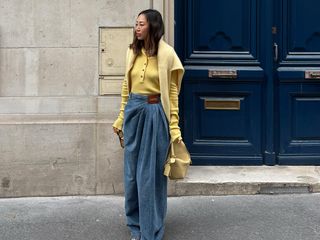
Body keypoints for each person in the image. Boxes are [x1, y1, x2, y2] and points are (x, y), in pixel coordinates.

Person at [112, 9, 184, 240]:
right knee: (132, 174)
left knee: (150, 175)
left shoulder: (168, 54)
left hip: (155, 113)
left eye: (141, 24)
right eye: (136, 24)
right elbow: (127, 87)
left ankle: (151, 228)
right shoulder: (132, 52)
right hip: (134, 112)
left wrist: (174, 127)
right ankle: (135, 223)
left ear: (153, 26)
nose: (137, 28)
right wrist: (121, 117)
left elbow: (172, 93)